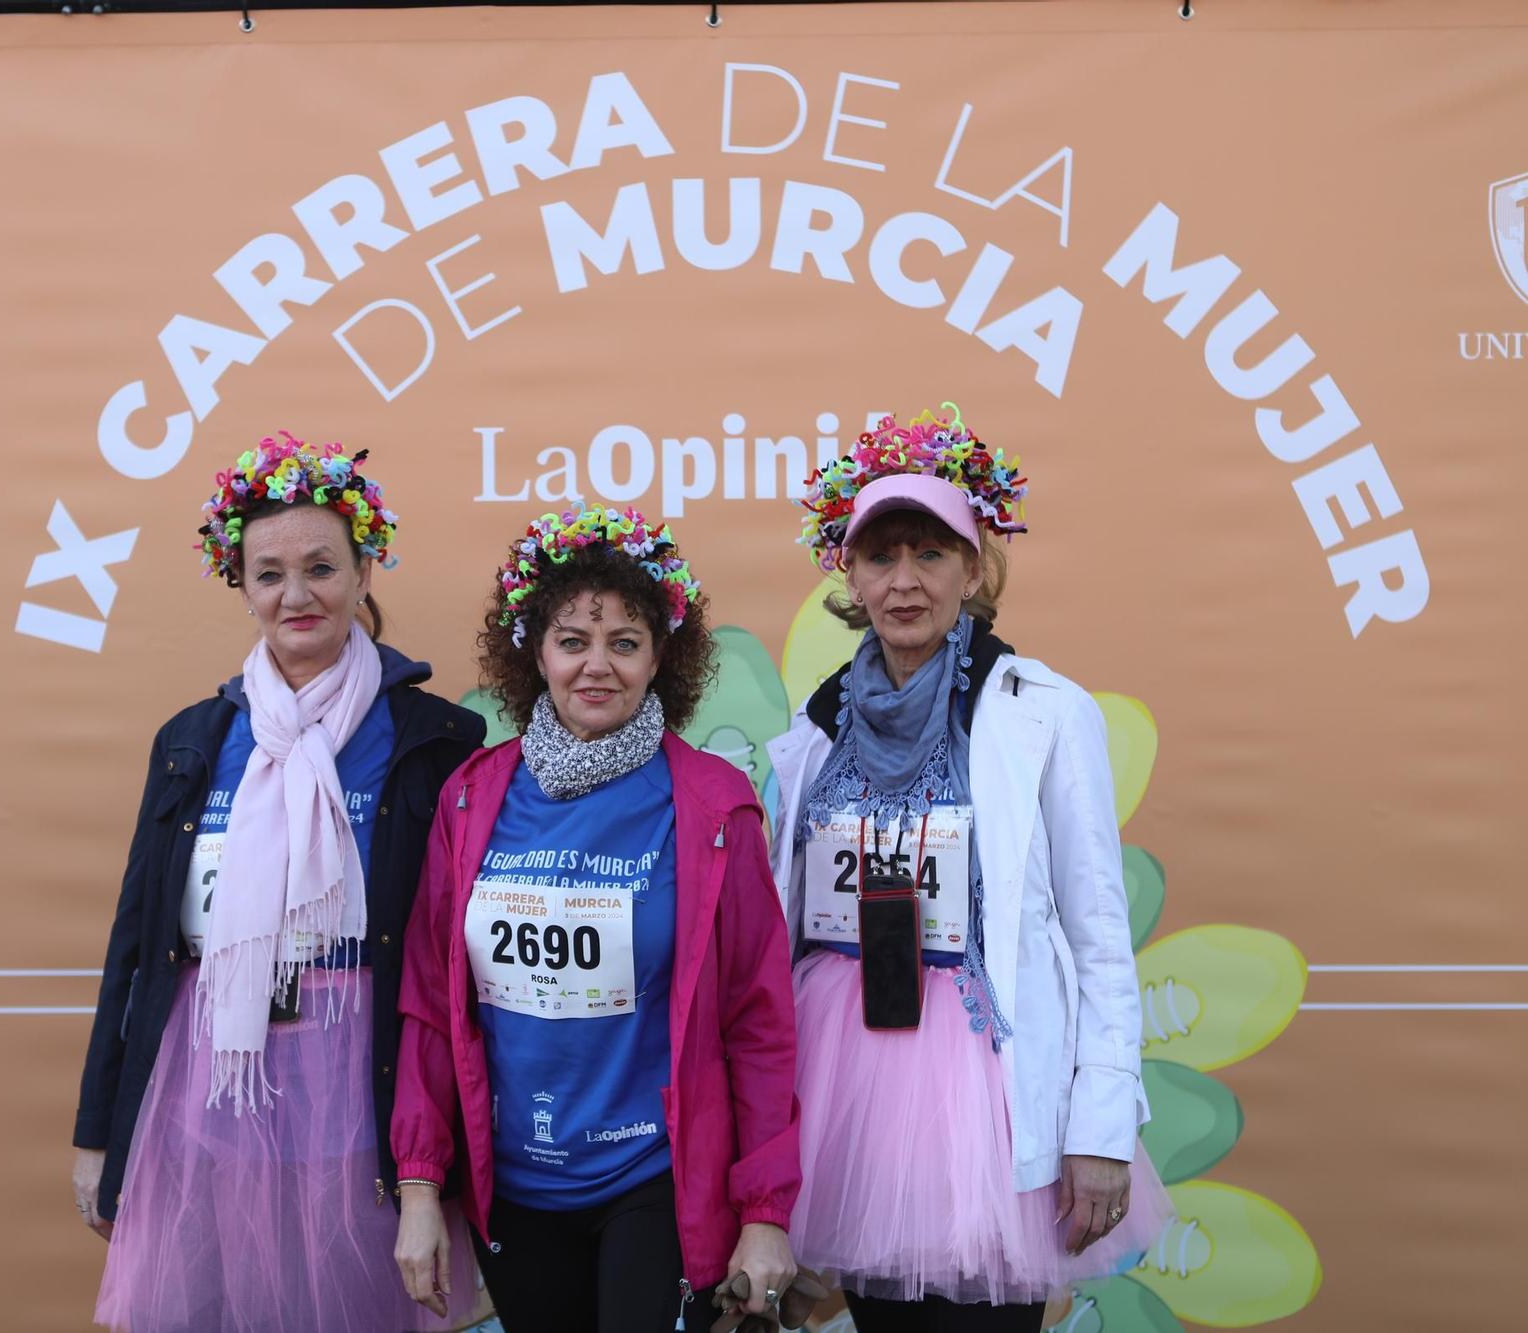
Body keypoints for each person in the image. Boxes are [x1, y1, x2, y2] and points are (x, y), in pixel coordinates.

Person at [768, 406, 1173, 1332]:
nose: (905, 581)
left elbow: (1099, 934)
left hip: (987, 1094)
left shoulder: (1046, 713)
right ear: (850, 573)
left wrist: (1102, 1131)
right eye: (881, 556)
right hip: (851, 1081)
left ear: (975, 566)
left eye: (931, 553)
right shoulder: (812, 727)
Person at [70, 432, 486, 1333]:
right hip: (209, 1085)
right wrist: (99, 1130)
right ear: (242, 585)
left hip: (362, 1088)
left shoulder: (437, 739)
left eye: (321, 567)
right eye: (269, 574)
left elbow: (454, 956)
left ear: (366, 569)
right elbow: (137, 943)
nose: (296, 595)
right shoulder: (193, 738)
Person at [392, 505, 802, 1333]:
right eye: (573, 640)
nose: (597, 666)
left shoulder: (717, 805)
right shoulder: (472, 796)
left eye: (625, 641)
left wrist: (765, 1211)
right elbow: (432, 1010)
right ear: (535, 652)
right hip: (514, 1186)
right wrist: (419, 1187)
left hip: (653, 1180)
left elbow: (760, 1021)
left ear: (662, 656)